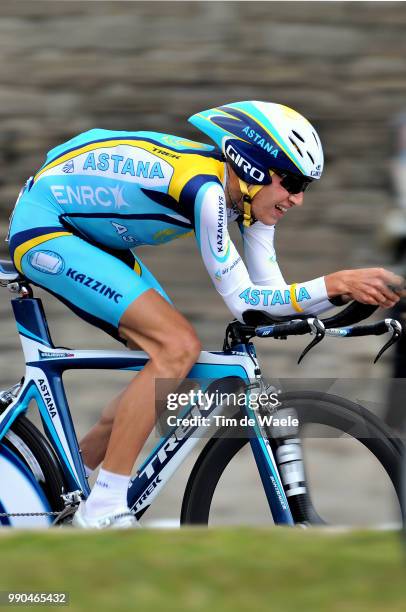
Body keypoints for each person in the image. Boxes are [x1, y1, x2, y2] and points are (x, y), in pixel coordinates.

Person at [7, 101, 404, 528]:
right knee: (176, 348)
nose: (299, 199)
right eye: (291, 181)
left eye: (305, 185)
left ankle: (73, 487)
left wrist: (347, 300)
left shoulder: (250, 205)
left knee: (179, 362)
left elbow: (269, 300)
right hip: (48, 227)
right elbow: (245, 303)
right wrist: (337, 283)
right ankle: (104, 506)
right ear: (252, 168)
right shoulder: (207, 190)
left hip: (93, 237)